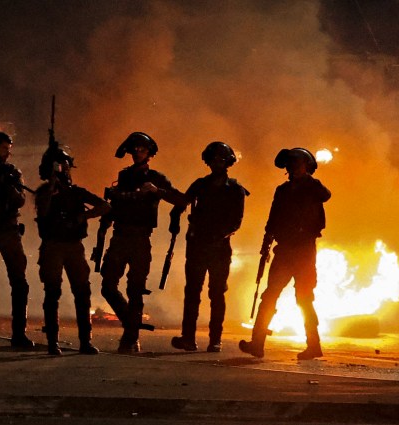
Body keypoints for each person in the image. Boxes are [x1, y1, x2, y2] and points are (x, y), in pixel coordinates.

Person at [239, 147, 331, 360]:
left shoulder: (313, 188)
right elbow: (273, 219)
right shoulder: (282, 191)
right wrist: (266, 243)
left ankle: (314, 344)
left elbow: (326, 195)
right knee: (269, 295)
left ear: (306, 167)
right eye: (290, 166)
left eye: (298, 165)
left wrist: (308, 179)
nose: (293, 169)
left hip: (304, 252)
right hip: (285, 251)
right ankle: (257, 343)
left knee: (304, 298)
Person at [99, 132, 185, 354]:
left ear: (149, 154)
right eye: (134, 150)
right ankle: (131, 323)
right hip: (119, 237)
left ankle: (130, 338)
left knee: (135, 290)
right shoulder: (123, 176)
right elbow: (113, 208)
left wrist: (158, 191)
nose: (137, 153)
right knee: (108, 287)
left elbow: (180, 199)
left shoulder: (156, 177)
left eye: (142, 150)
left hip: (140, 239)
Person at [170, 142, 249, 353]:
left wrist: (217, 236)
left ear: (227, 162)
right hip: (197, 247)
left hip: (219, 249)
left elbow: (236, 222)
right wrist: (173, 212)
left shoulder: (235, 189)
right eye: (213, 159)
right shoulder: (200, 185)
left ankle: (215, 340)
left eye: (221, 160)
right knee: (192, 293)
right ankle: (188, 338)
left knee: (217, 294)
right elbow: (182, 201)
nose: (216, 163)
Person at [35, 147, 110, 355]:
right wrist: (52, 184)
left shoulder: (76, 192)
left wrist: (82, 217)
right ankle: (52, 342)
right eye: (61, 166)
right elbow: (42, 210)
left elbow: (104, 206)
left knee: (82, 292)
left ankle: (85, 341)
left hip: (74, 245)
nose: (64, 170)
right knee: (52, 292)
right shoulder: (44, 192)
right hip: (52, 246)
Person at [0, 128, 35, 351]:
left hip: (9, 230)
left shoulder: (13, 172)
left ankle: (19, 334)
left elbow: (20, 201)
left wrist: (9, 185)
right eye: (4, 149)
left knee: (19, 282)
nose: (7, 153)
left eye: (8, 149)